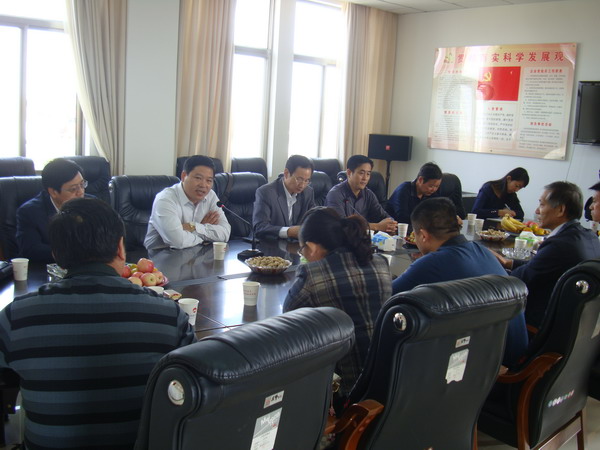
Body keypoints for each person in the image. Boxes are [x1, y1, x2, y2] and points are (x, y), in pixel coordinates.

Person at [0, 198, 196, 449]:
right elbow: (196, 387)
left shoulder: (16, 318)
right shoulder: (169, 315)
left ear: (56, 255)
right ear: (121, 248)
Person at [392, 197, 528, 367]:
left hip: (485, 366)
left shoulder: (433, 262)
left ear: (424, 235)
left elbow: (386, 297)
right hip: (511, 354)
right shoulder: (482, 250)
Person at [283, 207, 392, 396]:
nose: (303, 255)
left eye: (302, 250)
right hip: (390, 381)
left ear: (312, 247)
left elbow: (287, 324)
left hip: (348, 392)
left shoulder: (313, 275)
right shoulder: (381, 263)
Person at [494, 181, 600, 328]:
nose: (537, 211)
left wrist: (488, 266)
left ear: (561, 210)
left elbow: (518, 280)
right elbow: (540, 268)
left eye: (542, 205)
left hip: (537, 324)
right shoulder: (590, 236)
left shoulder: (559, 245)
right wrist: (508, 263)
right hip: (573, 325)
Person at [145, 155, 231, 250]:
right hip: (161, 254)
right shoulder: (165, 199)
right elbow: (177, 241)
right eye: (198, 178)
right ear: (183, 176)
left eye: (209, 180)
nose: (203, 185)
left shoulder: (210, 196)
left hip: (196, 253)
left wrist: (193, 226)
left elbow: (225, 234)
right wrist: (205, 236)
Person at [16, 158, 90, 262]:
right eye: (73, 189)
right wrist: (74, 253)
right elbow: (31, 249)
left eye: (82, 185)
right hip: (50, 267)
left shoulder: (92, 204)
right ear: (53, 192)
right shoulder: (30, 212)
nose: (81, 192)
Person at [325, 155, 397, 233]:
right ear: (349, 173)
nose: (365, 178)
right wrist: (377, 226)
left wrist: (391, 224)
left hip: (364, 238)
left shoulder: (368, 194)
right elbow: (342, 226)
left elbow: (383, 216)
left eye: (368, 174)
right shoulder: (335, 194)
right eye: (361, 173)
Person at [253, 155, 315, 239]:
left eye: (307, 180)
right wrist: (288, 232)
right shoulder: (266, 193)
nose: (302, 185)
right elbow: (259, 228)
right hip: (273, 244)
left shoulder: (308, 192)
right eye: (299, 179)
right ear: (286, 173)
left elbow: (313, 220)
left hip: (298, 244)